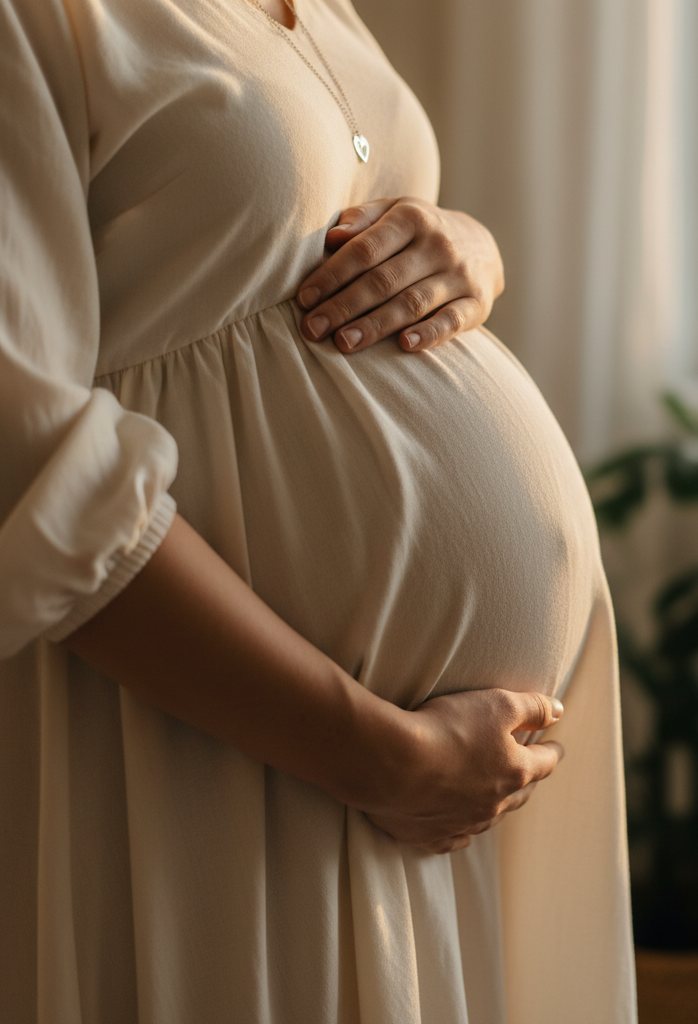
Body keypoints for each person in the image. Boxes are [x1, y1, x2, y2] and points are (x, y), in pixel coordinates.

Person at [0, 0, 637, 1021]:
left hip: (417, 803)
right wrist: (378, 756)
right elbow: (25, 460)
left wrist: (470, 250)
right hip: (224, 746)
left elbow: (308, 230)